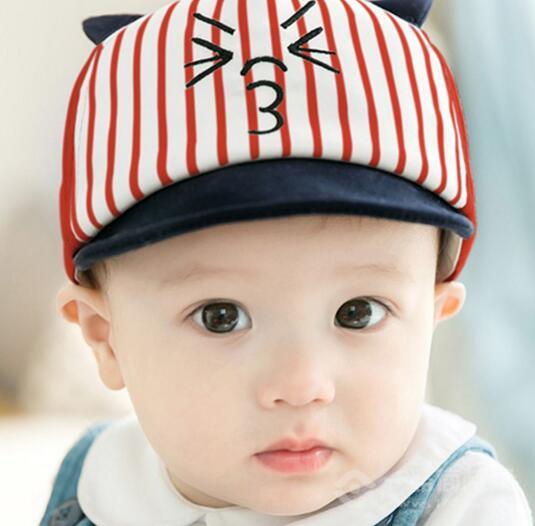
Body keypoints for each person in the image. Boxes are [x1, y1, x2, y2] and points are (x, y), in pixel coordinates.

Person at [40, 0, 533, 524]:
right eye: (220, 316)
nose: (301, 386)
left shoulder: (464, 506)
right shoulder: (96, 485)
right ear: (105, 337)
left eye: (358, 313)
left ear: (435, 315)